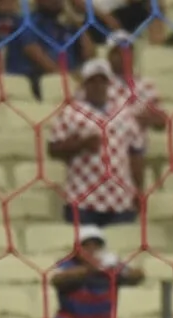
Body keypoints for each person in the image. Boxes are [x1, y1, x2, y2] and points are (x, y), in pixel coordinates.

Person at [46, 58, 144, 227]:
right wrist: (81, 144)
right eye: (93, 81)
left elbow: (135, 152)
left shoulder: (124, 114)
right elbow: (53, 149)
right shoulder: (70, 112)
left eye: (102, 81)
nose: (98, 86)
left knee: (119, 250)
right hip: (84, 200)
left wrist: (138, 190)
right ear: (84, 85)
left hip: (120, 201)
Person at [48, 225, 145, 318]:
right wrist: (91, 269)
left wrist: (118, 269)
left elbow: (138, 276)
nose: (91, 249)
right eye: (85, 245)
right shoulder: (68, 264)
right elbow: (57, 280)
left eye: (96, 245)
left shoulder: (110, 267)